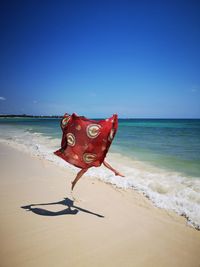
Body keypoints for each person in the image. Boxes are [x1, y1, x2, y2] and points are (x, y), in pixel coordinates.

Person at [54, 112, 124, 191]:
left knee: (89, 167)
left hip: (90, 151)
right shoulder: (85, 127)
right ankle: (115, 172)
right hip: (88, 151)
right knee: (96, 163)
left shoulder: (89, 129)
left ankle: (74, 182)